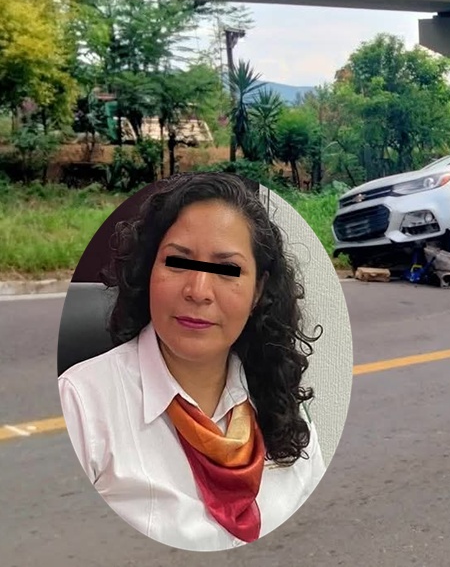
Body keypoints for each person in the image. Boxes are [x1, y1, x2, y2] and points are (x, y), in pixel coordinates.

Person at [58, 172, 326, 551]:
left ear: (258, 291)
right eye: (178, 262)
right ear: (149, 269)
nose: (198, 291)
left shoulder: (283, 409)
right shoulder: (81, 406)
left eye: (227, 269)